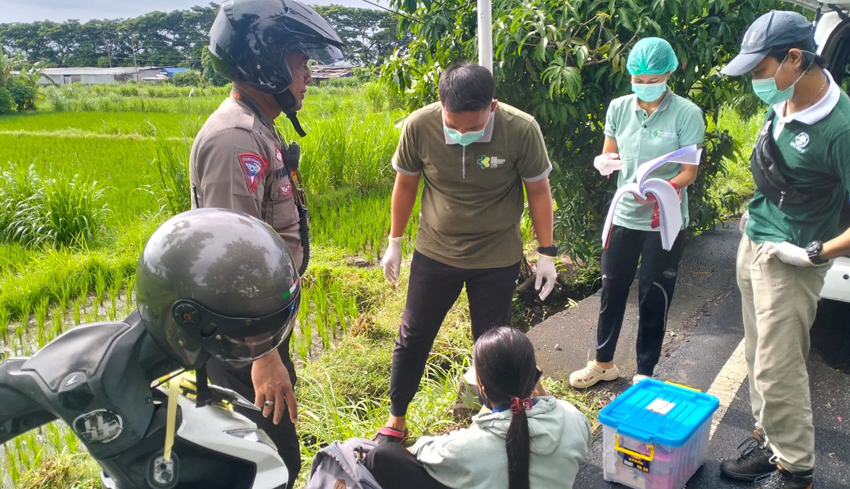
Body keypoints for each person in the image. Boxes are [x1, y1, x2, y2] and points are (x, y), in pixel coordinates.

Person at [188, 0, 344, 485]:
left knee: (273, 455)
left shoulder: (258, 126)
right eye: (301, 62)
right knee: (268, 463)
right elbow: (231, 257)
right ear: (266, 61)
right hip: (241, 340)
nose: (308, 76)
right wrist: (264, 356)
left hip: (259, 328)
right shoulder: (234, 138)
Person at [376, 61, 558, 443]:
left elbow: (538, 191)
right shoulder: (419, 126)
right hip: (435, 251)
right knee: (413, 334)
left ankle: (495, 419)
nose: (461, 134)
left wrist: (546, 252)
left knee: (492, 343)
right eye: (452, 125)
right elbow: (406, 184)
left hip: (496, 255)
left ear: (491, 106)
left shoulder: (520, 129)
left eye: (473, 128)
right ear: (440, 104)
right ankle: (396, 419)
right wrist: (394, 241)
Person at [717, 10, 850, 489]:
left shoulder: (841, 127)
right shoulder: (789, 94)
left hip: (792, 260)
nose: (755, 81)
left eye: (759, 70)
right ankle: (770, 443)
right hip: (757, 242)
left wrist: (816, 253)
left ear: (795, 58)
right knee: (756, 356)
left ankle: (796, 470)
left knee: (779, 370)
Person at [569, 37, 705, 388]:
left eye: (653, 79)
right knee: (612, 289)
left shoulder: (687, 113)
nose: (645, 86)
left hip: (665, 218)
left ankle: (645, 372)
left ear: (670, 73)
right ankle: (603, 362)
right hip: (624, 213)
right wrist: (605, 163)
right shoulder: (618, 108)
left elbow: (688, 172)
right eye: (639, 80)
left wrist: (664, 190)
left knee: (653, 293)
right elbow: (610, 154)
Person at [366, 327, 592, 489]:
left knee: (382, 455)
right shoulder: (574, 418)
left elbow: (418, 451)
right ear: (534, 375)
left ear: (481, 385)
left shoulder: (464, 447)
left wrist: (481, 418)